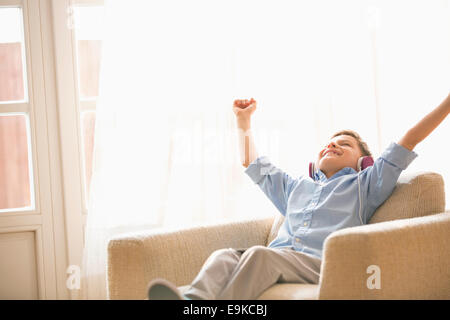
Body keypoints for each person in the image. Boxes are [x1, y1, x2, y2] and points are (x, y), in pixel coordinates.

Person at [147, 93, 450, 300]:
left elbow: (408, 139)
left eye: (342, 144)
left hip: (319, 263)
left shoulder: (365, 184)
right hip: (280, 257)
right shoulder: (295, 188)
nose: (331, 146)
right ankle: (191, 300)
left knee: (260, 255)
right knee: (224, 255)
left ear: (363, 162)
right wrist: (243, 122)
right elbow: (251, 162)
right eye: (327, 144)